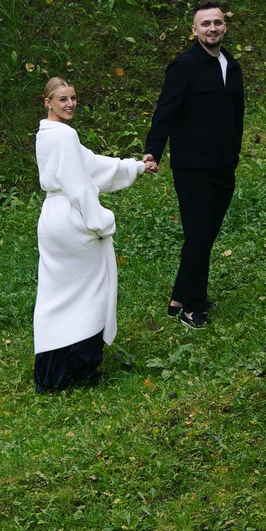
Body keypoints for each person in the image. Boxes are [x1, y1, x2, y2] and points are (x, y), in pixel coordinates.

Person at [32, 76, 154, 393]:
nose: (70, 104)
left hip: (51, 220)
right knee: (91, 292)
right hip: (72, 219)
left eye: (73, 98)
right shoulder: (63, 137)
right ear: (48, 102)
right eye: (63, 99)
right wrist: (100, 221)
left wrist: (136, 167)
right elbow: (80, 185)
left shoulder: (47, 134)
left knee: (55, 295)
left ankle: (52, 372)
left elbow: (91, 164)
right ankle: (80, 367)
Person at [142, 1, 244, 328]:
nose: (212, 28)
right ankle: (192, 308)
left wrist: (235, 153)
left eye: (217, 22)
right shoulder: (184, 66)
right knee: (199, 234)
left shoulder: (232, 65)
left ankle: (178, 296)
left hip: (225, 166)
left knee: (206, 234)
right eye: (205, 24)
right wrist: (153, 153)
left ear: (224, 26)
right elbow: (165, 112)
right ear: (195, 30)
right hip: (193, 168)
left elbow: (236, 115)